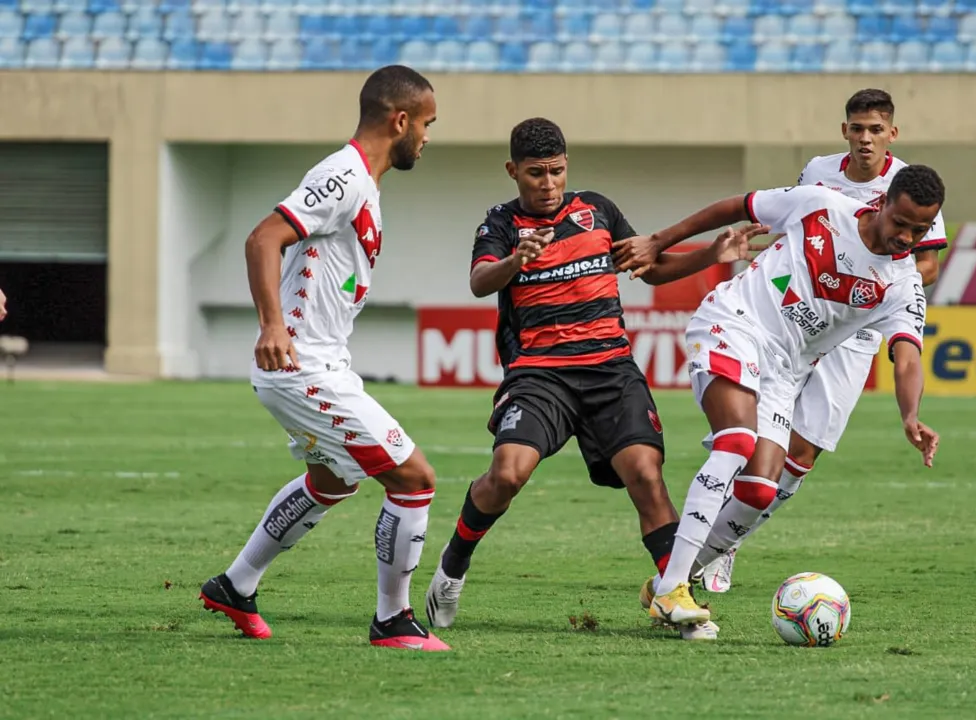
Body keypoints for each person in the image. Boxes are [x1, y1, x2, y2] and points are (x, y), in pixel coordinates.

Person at [424, 117, 765, 640]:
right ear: (513, 171)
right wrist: (517, 259)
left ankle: (673, 595)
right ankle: (452, 566)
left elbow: (646, 267)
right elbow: (478, 281)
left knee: (646, 476)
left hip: (610, 370)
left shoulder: (596, 210)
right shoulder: (499, 224)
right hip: (541, 375)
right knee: (508, 473)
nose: (548, 183)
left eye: (556, 171)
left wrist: (711, 256)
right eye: (535, 173)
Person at [615, 165, 943, 632]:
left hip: (785, 372)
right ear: (883, 202)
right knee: (735, 443)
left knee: (759, 490)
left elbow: (907, 355)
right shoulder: (820, 205)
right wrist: (658, 240)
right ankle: (672, 592)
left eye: (921, 230)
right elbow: (736, 206)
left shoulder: (903, 284)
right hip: (735, 323)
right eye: (902, 223)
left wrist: (911, 414)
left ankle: (669, 581)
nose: (907, 237)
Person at [198, 66, 449, 651]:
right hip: (302, 367)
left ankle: (236, 585)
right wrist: (272, 325)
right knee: (414, 479)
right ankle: (393, 621)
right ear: (401, 120)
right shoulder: (344, 175)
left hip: (321, 364)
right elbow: (263, 237)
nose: (428, 138)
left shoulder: (365, 183)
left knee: (332, 479)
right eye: (428, 124)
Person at [696, 88, 950, 594]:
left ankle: (728, 541)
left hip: (857, 328)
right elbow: (795, 223)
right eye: (857, 128)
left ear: (891, 135)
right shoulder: (818, 175)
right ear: (845, 132)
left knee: (802, 455)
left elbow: (927, 265)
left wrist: (886, 274)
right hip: (795, 316)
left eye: (876, 129)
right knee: (747, 432)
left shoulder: (910, 189)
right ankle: (704, 544)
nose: (865, 138)